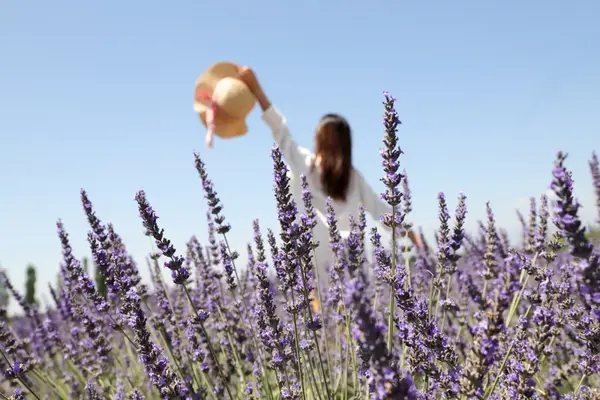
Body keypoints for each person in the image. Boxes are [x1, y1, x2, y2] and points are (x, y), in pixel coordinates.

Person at [237, 66, 422, 305]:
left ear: (321, 139)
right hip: (353, 272)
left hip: (316, 271)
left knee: (326, 333)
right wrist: (414, 236)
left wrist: (256, 89)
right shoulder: (353, 177)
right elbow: (382, 212)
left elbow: (280, 132)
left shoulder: (306, 164)